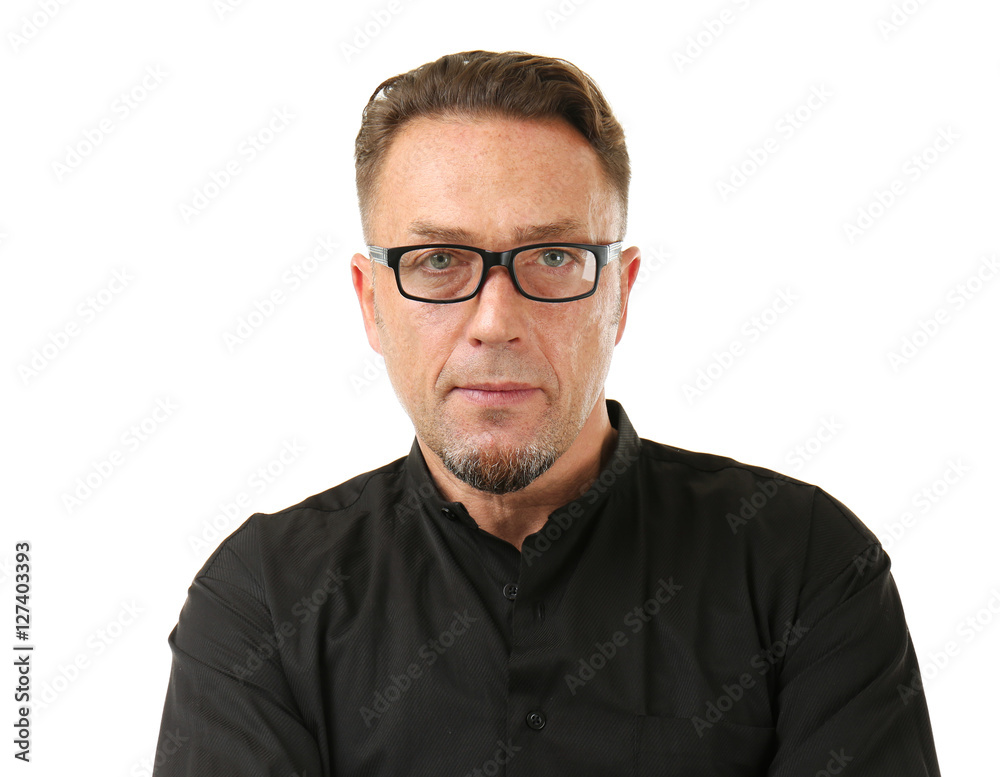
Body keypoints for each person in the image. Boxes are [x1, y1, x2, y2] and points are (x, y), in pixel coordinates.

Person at [151, 50, 941, 776]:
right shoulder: (263, 602)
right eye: (437, 260)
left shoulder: (804, 568)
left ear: (620, 293)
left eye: (555, 257)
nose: (495, 319)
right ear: (371, 303)